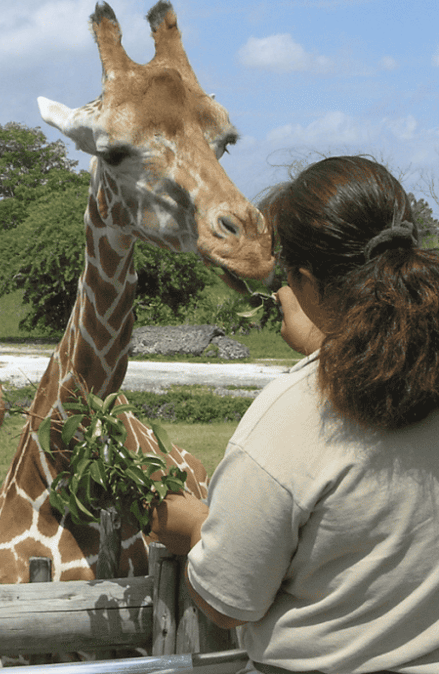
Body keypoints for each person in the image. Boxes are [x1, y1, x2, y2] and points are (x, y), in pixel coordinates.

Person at [151, 156, 439, 673]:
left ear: (304, 279)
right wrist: (327, 345)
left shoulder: (293, 418)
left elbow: (226, 601)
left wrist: (195, 526)